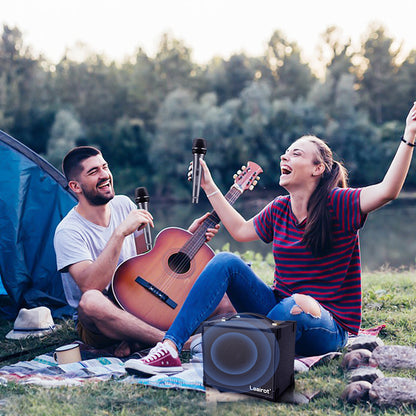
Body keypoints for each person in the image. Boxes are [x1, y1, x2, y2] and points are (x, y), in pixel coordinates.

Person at [125, 102, 416, 376]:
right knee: (227, 260)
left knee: (297, 304)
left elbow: (388, 190)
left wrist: (409, 136)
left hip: (326, 325)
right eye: (286, 153)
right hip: (277, 310)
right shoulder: (279, 208)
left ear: (318, 169)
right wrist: (209, 185)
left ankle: (245, 350)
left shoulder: (340, 203)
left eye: (296, 154)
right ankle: (170, 347)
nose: (284, 157)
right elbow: (240, 231)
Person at [53, 146, 234, 357]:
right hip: (106, 318)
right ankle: (175, 341)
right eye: (93, 172)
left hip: (141, 299)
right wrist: (120, 233)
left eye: (105, 167)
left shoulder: (123, 204)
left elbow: (147, 261)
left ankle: (140, 339)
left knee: (224, 301)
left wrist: (188, 238)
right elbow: (90, 285)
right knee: (90, 301)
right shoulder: (68, 231)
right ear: (75, 186)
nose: (105, 175)